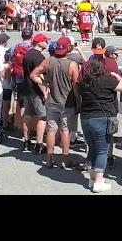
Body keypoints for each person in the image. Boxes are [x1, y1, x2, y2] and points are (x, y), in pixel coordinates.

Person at [30, 37, 81, 168]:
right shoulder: (72, 65)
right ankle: (65, 158)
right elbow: (76, 85)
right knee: (65, 131)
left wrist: (45, 84)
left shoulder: (48, 61)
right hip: (67, 102)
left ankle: (49, 158)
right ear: (68, 48)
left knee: (51, 130)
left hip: (52, 101)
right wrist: (78, 101)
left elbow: (33, 75)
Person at [79, 56, 122, 193]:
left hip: (86, 118)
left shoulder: (84, 82)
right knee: (102, 151)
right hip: (102, 117)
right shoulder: (107, 80)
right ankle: (99, 181)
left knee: (92, 149)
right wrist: (117, 76)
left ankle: (92, 179)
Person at [20, 33, 50, 153]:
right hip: (36, 90)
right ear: (40, 43)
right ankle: (39, 144)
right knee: (42, 116)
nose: (47, 43)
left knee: (28, 115)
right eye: (45, 41)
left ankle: (26, 141)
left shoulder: (27, 54)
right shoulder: (39, 57)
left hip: (27, 88)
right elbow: (39, 75)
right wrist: (44, 92)